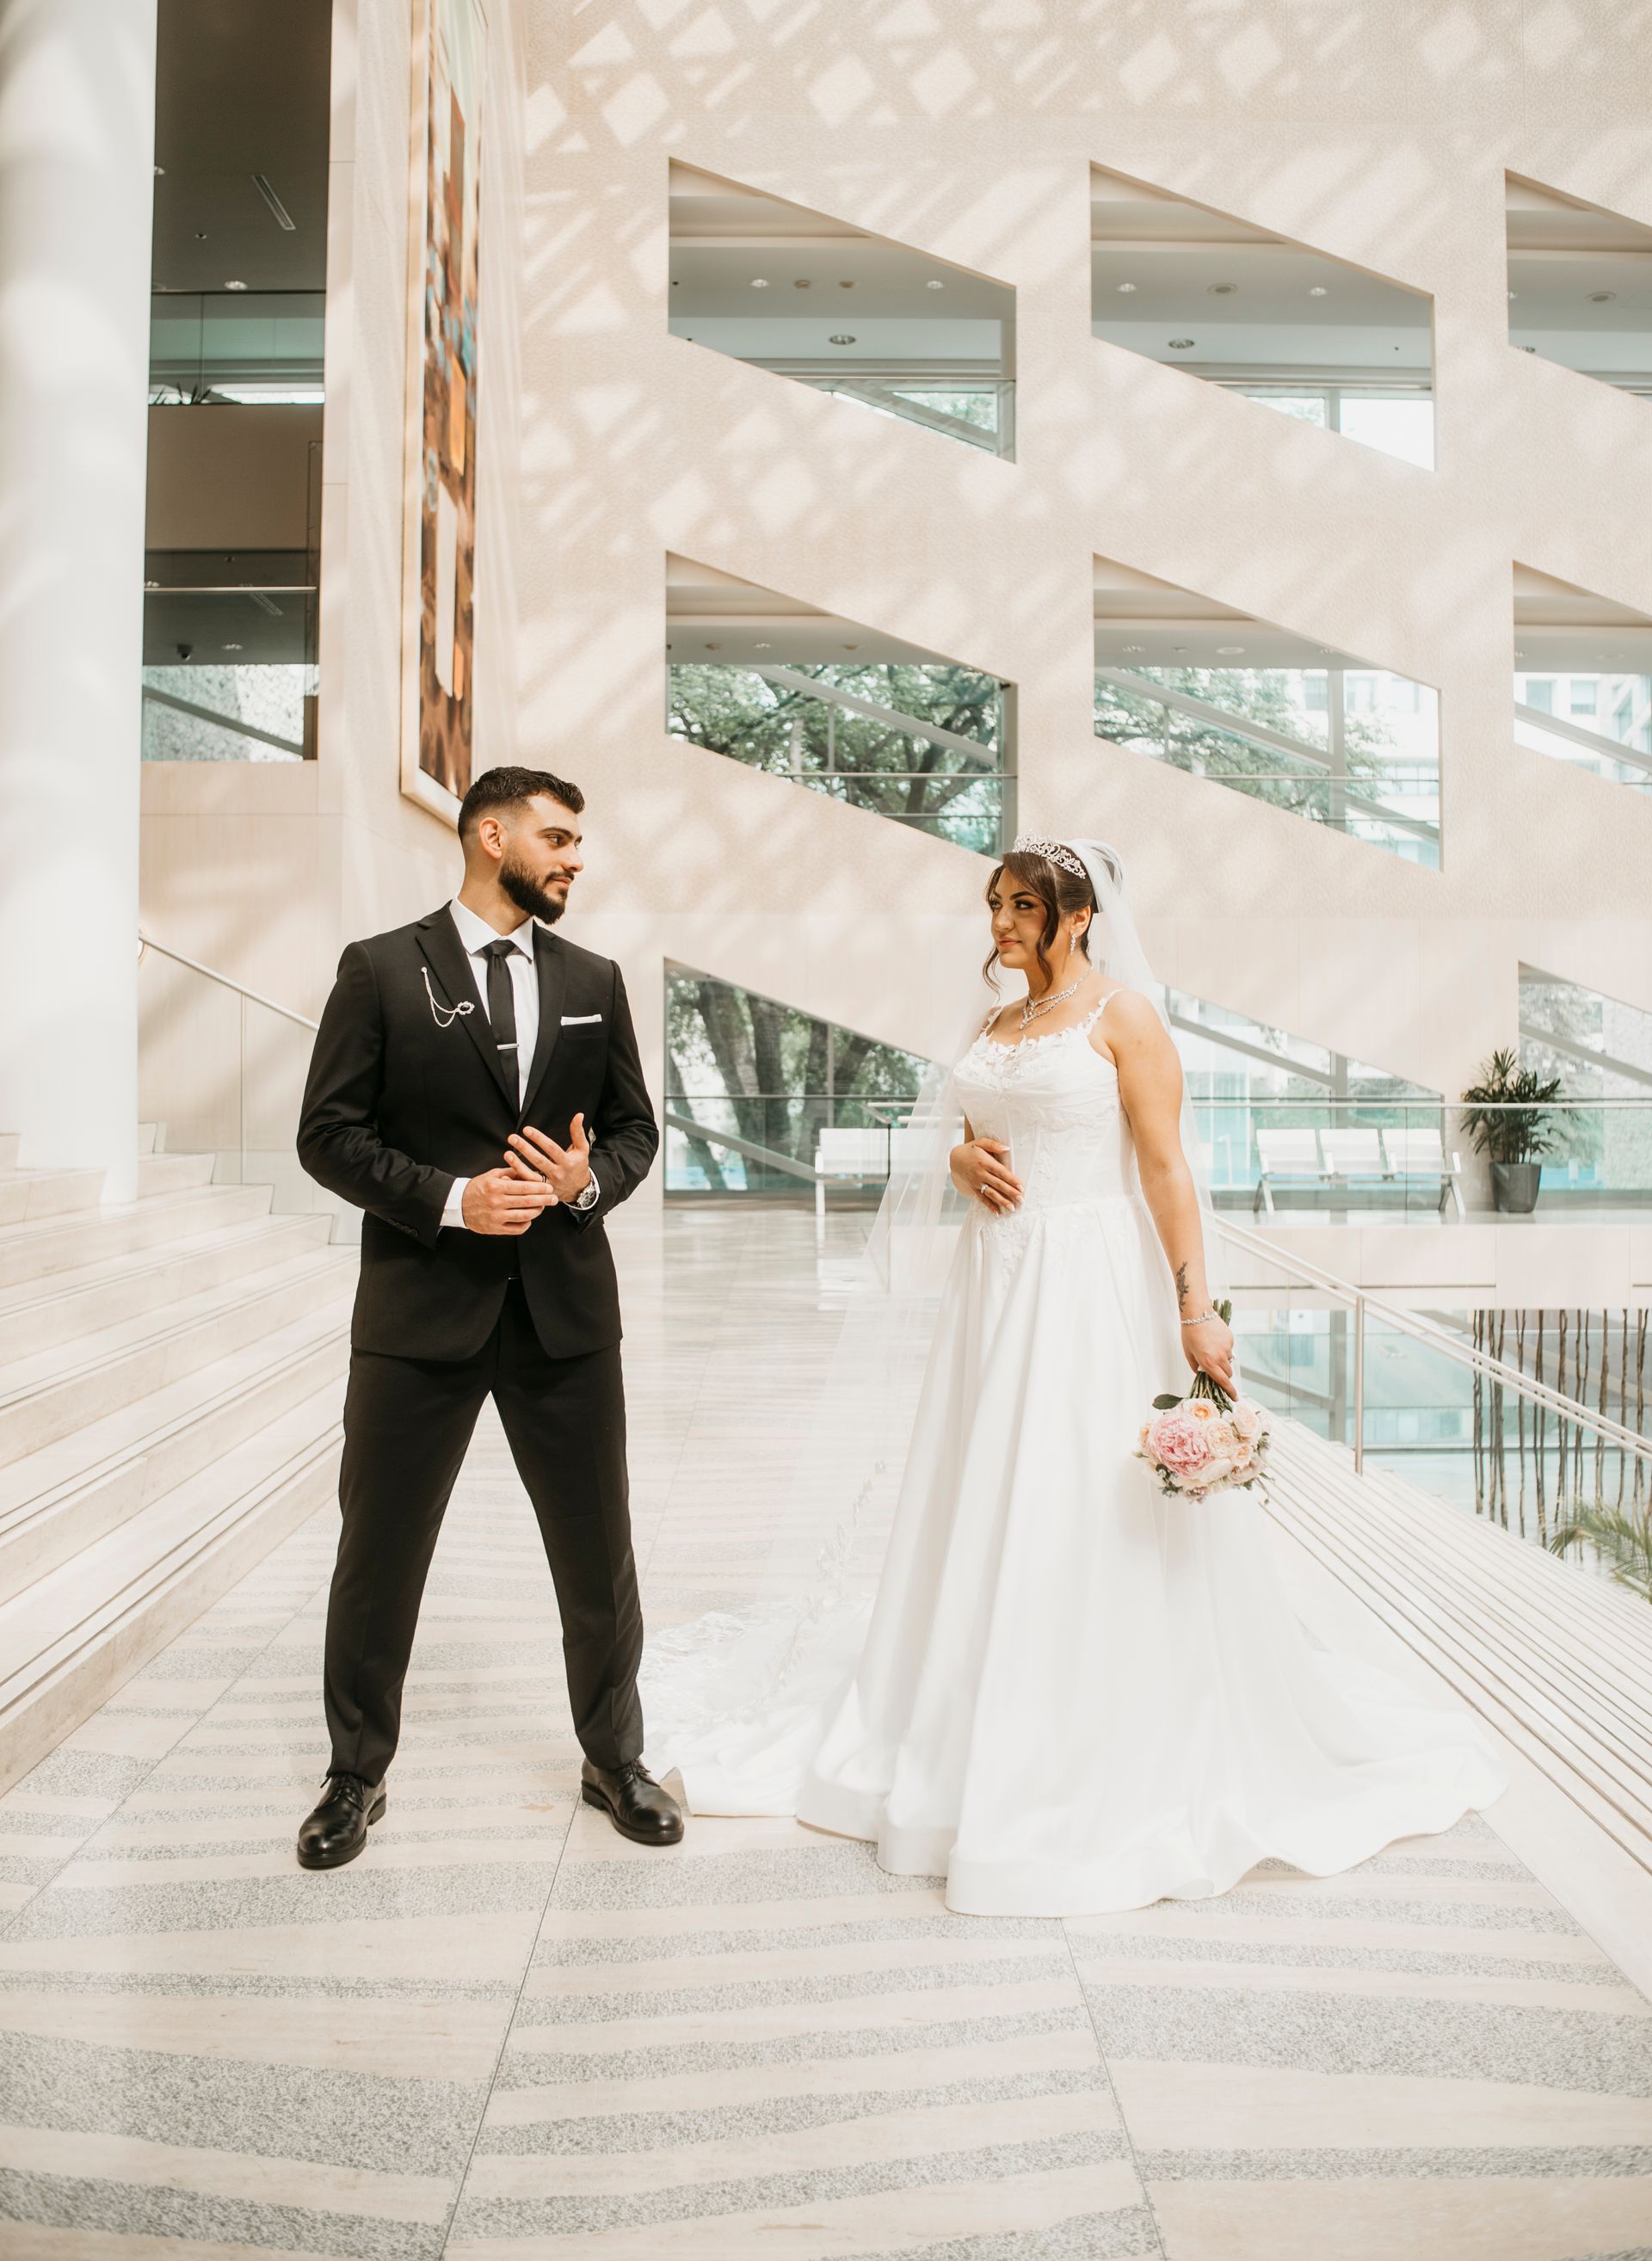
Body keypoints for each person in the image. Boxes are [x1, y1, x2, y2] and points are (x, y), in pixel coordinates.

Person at [644, 834, 1505, 1915]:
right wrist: (959, 1157)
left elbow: (1164, 1165)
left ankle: (1077, 1718)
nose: (1000, 926)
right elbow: (973, 1123)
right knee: (985, 1482)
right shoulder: (998, 1020)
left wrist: (1196, 1306)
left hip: (1091, 1280)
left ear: (1080, 915)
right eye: (995, 904)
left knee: (1073, 1491)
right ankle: (960, 1694)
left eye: (1021, 908)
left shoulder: (1124, 1018)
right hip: (995, 1283)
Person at [292, 765, 679, 1868]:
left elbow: (633, 1131)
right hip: (421, 1313)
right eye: (557, 838)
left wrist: (582, 1182)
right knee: (379, 1550)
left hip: (564, 1316)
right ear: (489, 834)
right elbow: (328, 1135)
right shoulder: (378, 969)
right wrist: (453, 1200)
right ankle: (353, 1775)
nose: (574, 858)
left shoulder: (596, 976)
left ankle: (616, 1757)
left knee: (597, 1547)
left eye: (578, 843)